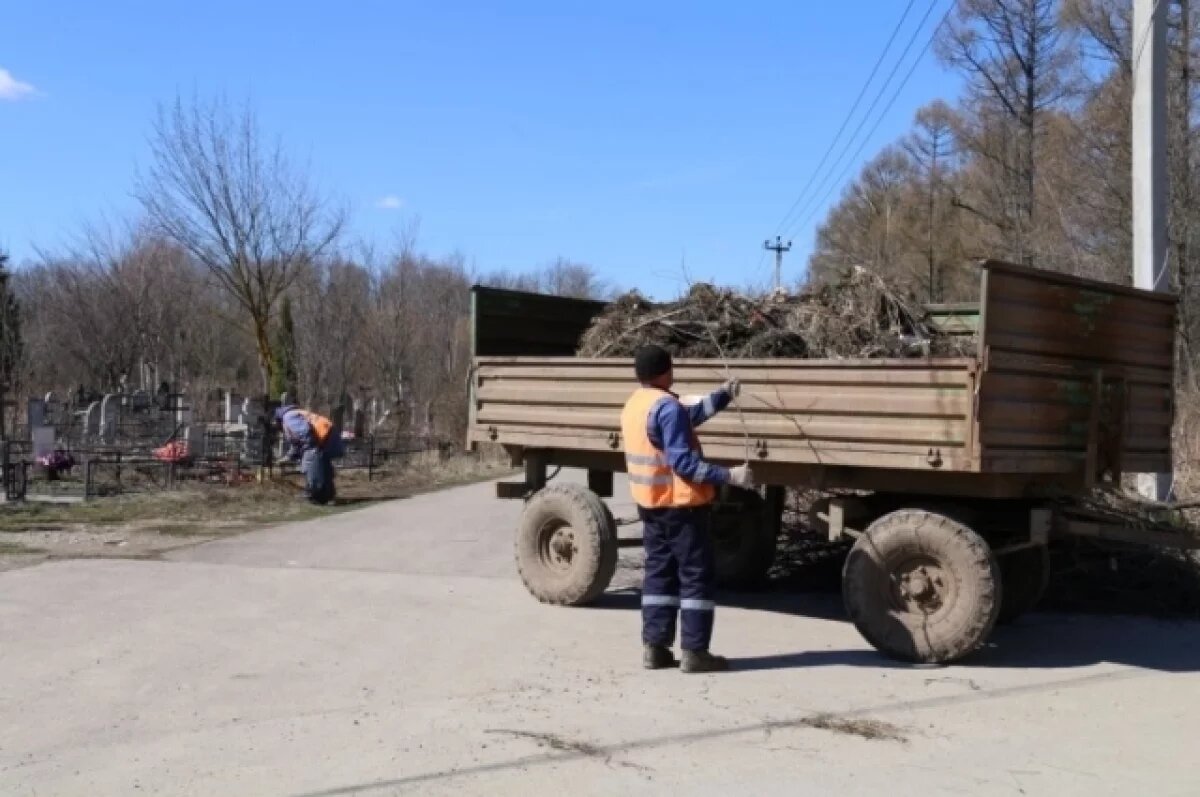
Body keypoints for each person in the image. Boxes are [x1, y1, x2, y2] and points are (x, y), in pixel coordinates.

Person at [620, 344, 754, 674]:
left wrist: (723, 395)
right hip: (681, 508)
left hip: (652, 505)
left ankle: (655, 649)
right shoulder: (667, 407)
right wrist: (730, 476)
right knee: (695, 577)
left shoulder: (638, 403)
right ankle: (695, 653)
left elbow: (686, 416)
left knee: (658, 575)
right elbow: (684, 463)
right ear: (666, 371)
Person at [275, 403, 343, 504]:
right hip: (328, 434)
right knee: (323, 466)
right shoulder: (295, 414)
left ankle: (314, 494)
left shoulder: (288, 417)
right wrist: (288, 457)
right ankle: (327, 495)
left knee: (311, 462)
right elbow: (297, 443)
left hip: (322, 436)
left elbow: (305, 433)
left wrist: (308, 449)